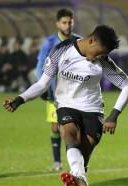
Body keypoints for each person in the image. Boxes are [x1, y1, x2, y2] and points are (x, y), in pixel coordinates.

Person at [3, 25, 128, 186]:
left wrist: (114, 115)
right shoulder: (61, 51)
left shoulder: (103, 61)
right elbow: (42, 84)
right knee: (70, 135)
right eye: (99, 52)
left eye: (103, 54)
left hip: (93, 111)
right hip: (66, 106)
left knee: (81, 161)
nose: (98, 57)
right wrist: (20, 100)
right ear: (91, 41)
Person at [36, 9, 80, 171]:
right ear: (57, 24)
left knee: (73, 128)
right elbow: (40, 65)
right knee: (56, 127)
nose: (67, 25)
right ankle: (57, 161)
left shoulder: (78, 41)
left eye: (70, 22)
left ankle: (76, 163)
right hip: (55, 92)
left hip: (75, 92)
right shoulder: (49, 42)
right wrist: (43, 85)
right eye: (64, 22)